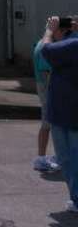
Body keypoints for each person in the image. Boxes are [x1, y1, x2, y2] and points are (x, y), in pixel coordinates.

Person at [40, 15, 78, 213]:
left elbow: (46, 50)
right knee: (69, 159)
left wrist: (49, 30)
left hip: (68, 114)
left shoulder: (73, 46)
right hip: (65, 112)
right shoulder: (71, 44)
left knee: (69, 159)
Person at [33, 31, 60, 171]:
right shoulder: (45, 47)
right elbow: (48, 72)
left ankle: (48, 157)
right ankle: (41, 158)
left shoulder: (40, 44)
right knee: (48, 123)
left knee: (49, 124)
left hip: (44, 88)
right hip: (47, 89)